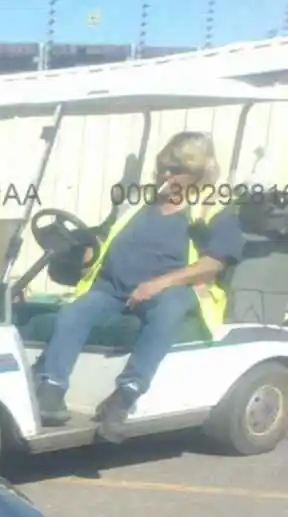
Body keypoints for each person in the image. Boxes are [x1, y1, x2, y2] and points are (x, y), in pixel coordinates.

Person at [34, 132, 246, 440]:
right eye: (163, 168)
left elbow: (214, 263)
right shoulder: (137, 204)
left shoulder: (212, 210)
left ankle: (125, 395)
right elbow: (102, 242)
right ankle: (51, 389)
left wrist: (158, 284)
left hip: (173, 290)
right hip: (113, 288)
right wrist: (76, 252)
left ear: (199, 174)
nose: (166, 175)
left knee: (169, 311)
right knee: (74, 312)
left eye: (175, 170)